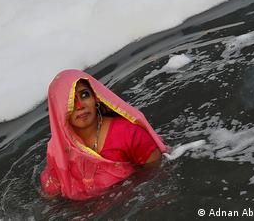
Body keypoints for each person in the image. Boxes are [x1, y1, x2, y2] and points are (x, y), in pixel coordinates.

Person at [40, 69, 167, 200]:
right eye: (70, 100)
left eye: (84, 95)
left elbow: (158, 175)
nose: (79, 106)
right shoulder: (58, 153)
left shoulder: (129, 134)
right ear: (58, 110)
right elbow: (53, 198)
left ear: (96, 97)